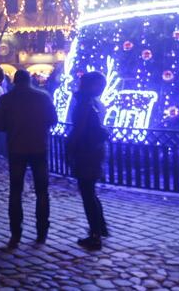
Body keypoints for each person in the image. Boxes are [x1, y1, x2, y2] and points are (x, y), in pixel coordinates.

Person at [0, 70, 57, 247]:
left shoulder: (7, 99)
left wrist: (12, 127)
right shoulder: (43, 97)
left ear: (15, 81)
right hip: (39, 147)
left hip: (17, 148)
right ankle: (42, 231)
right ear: (30, 81)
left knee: (15, 191)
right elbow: (53, 119)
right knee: (42, 191)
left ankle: (16, 233)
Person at [67, 71, 110, 251]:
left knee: (87, 192)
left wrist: (70, 149)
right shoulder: (93, 103)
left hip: (86, 152)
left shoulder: (85, 103)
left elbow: (80, 129)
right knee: (89, 191)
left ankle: (95, 234)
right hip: (93, 151)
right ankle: (100, 227)